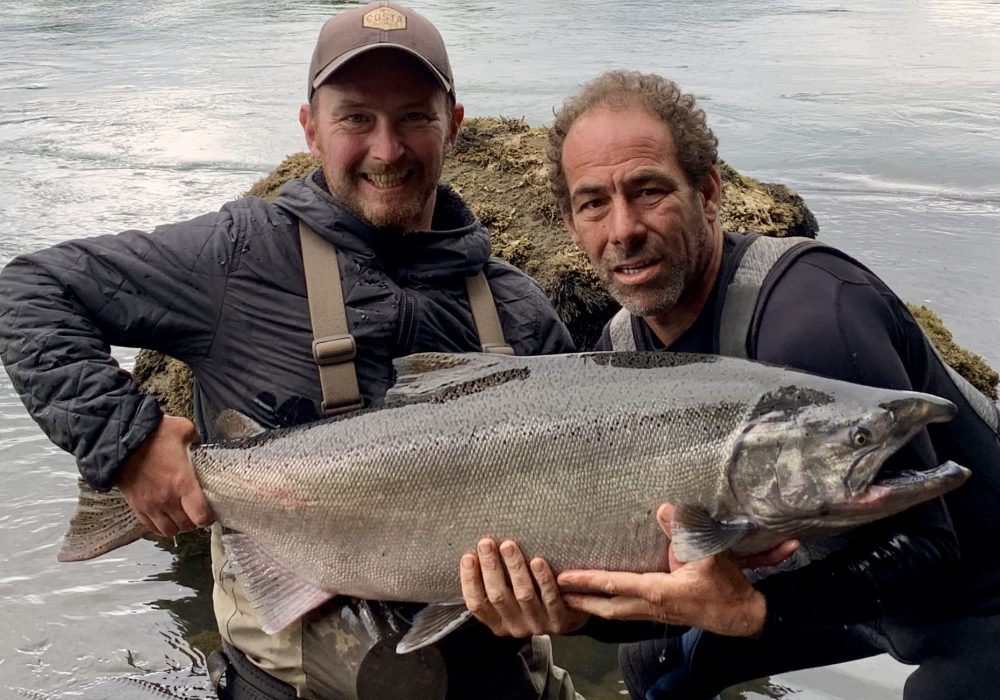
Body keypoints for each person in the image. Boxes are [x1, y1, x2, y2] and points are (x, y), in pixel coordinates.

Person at [0, 4, 583, 699]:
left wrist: (569, 606)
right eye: (356, 118)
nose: (387, 149)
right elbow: (29, 291)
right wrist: (126, 442)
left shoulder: (523, 314)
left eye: (414, 118)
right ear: (310, 129)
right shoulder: (237, 257)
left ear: (453, 127)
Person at [462, 70, 1000, 700]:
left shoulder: (813, 316)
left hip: (979, 595)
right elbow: (648, 585)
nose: (623, 228)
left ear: (709, 192)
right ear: (571, 221)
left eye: (649, 191)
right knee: (654, 661)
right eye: (594, 203)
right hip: (836, 587)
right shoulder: (620, 353)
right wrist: (571, 611)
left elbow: (935, 548)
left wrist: (751, 613)